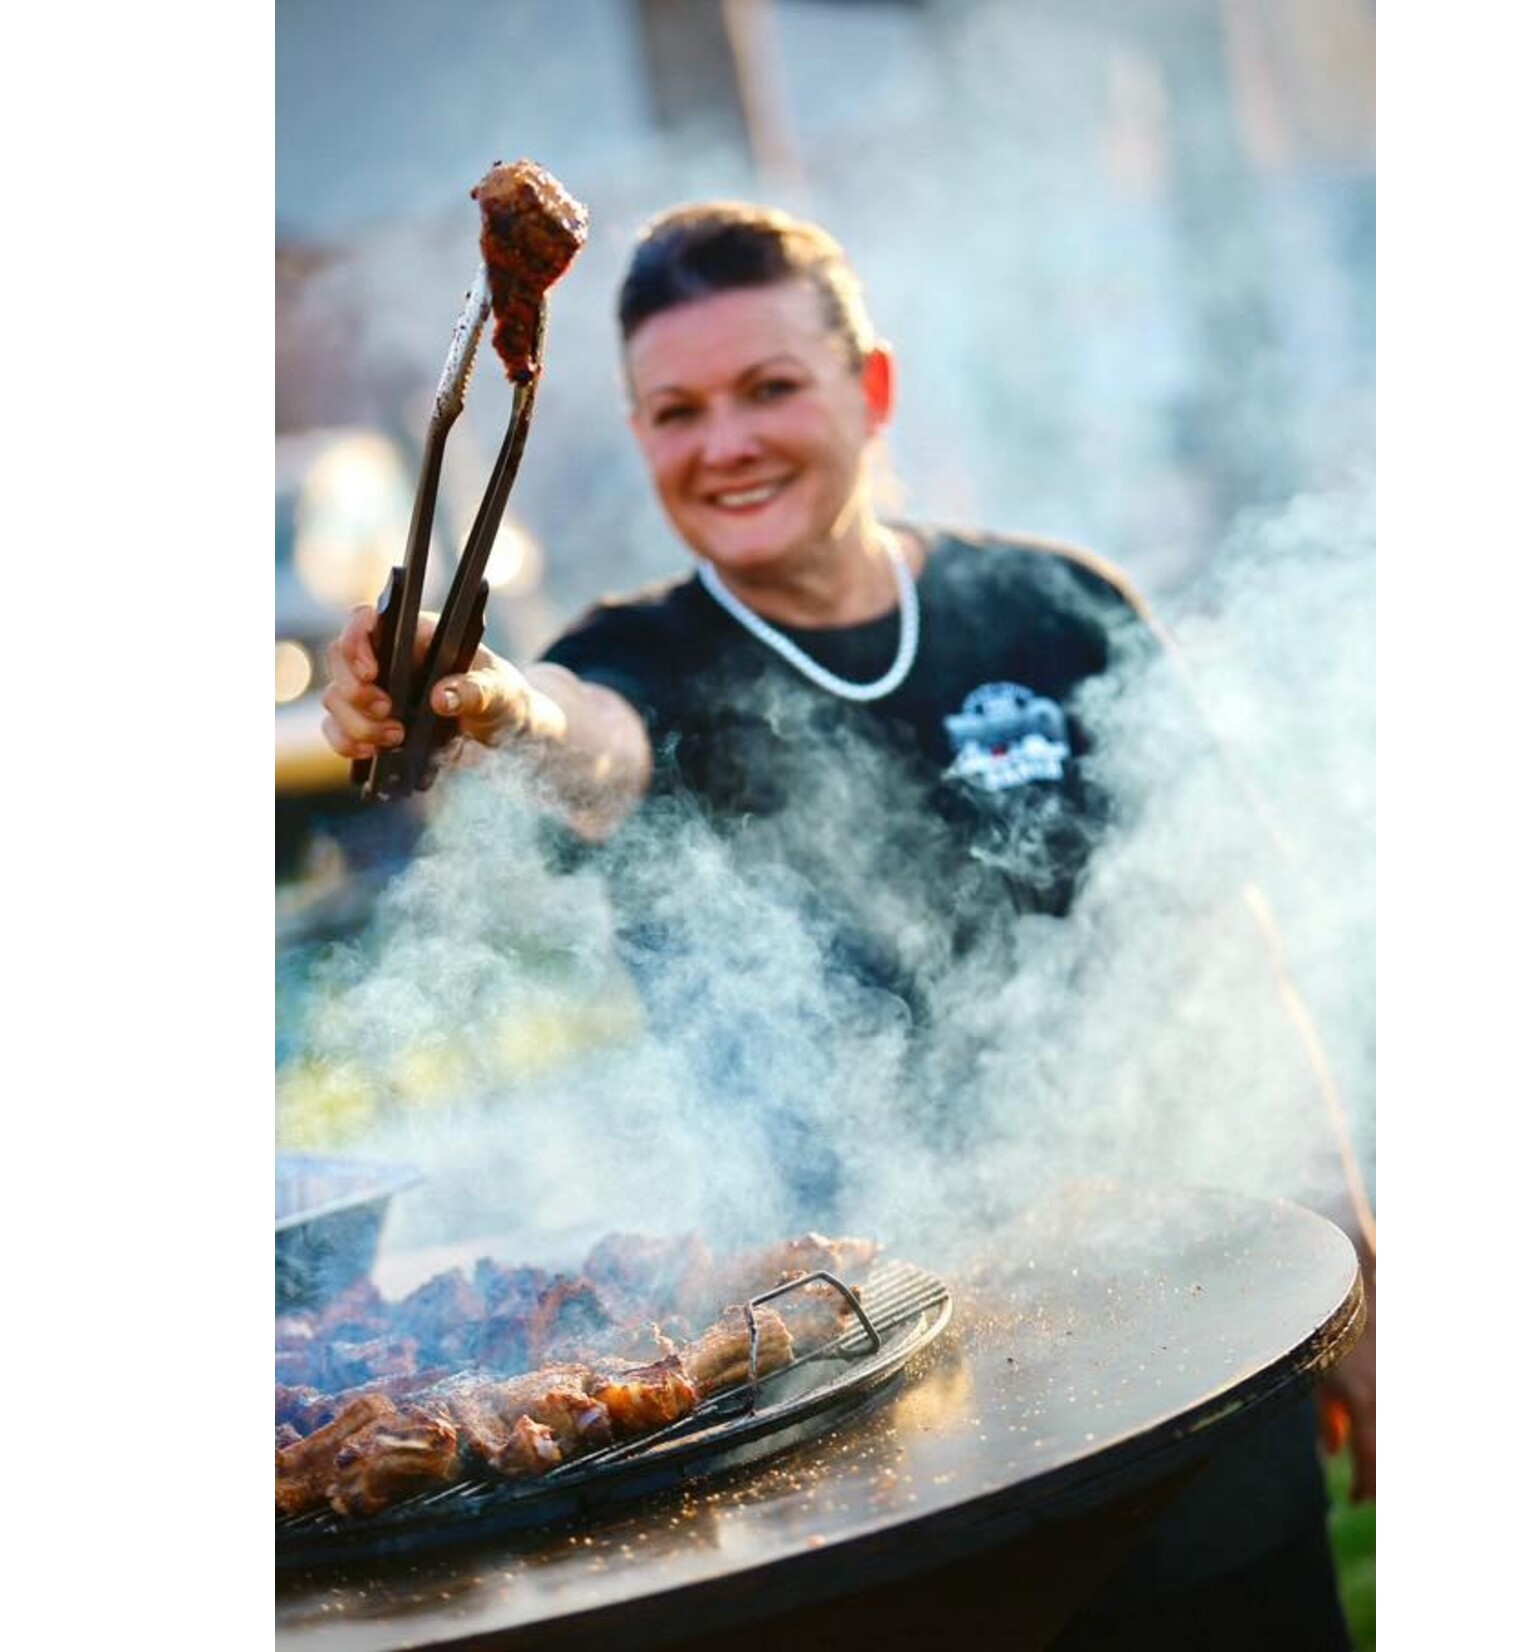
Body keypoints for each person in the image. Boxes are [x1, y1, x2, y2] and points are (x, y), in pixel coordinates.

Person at [322, 200, 1374, 1650]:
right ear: (639, 437)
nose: (726, 442)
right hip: (863, 1402)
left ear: (867, 389)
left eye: (770, 387)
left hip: (1188, 1330)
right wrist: (496, 705)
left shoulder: (1057, 610)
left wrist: (1358, 1298)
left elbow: (1240, 974)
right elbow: (595, 742)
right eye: (677, 411)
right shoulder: (638, 659)